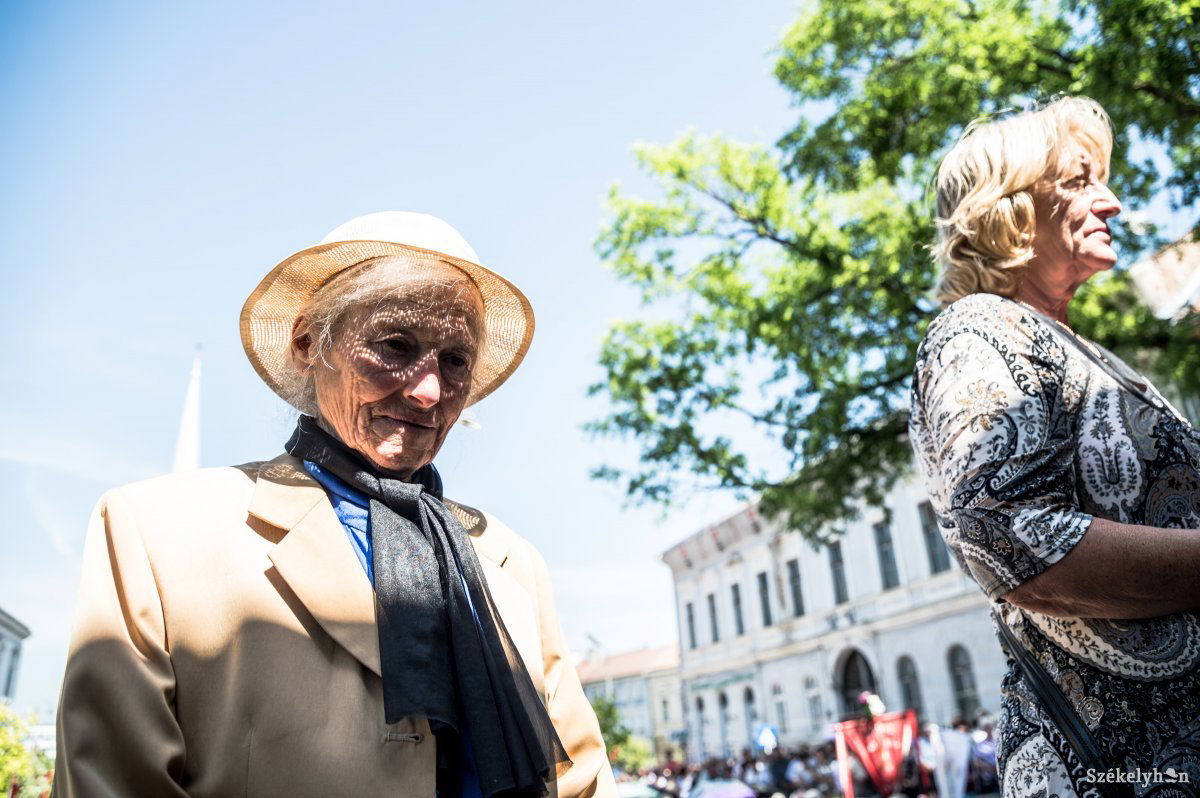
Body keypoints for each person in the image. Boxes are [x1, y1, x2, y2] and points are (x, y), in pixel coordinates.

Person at [52, 212, 616, 797]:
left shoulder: (509, 561)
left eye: (455, 361)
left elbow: (582, 779)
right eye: (396, 345)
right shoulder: (156, 531)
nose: (428, 391)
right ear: (306, 345)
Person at [909, 95, 1200, 796]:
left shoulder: (1086, 353)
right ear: (1006, 205)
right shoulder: (979, 329)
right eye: (1078, 180)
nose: (1114, 203)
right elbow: (1010, 537)